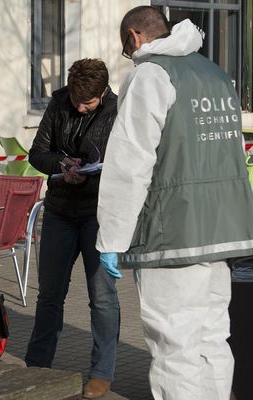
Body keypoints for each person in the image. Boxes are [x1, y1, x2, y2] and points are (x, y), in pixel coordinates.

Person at [96, 6, 253, 400]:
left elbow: (129, 164)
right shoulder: (216, 75)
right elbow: (233, 155)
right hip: (222, 233)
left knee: (174, 349)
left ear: (134, 37)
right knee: (213, 340)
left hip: (171, 236)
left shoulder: (151, 76)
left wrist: (111, 239)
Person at [25, 58, 121, 399]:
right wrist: (61, 163)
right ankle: (37, 366)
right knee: (49, 294)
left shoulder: (118, 110)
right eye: (77, 101)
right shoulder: (58, 102)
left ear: (103, 93)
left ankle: (101, 373)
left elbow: (128, 162)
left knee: (102, 297)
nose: (80, 107)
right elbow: (37, 153)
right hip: (60, 211)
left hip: (99, 213)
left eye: (88, 102)